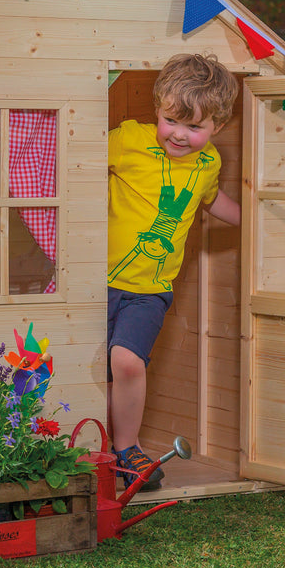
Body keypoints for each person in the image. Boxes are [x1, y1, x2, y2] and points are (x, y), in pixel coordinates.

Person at [107, 54, 240, 490]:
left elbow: (211, 201)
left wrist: (255, 219)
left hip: (151, 288)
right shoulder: (128, 139)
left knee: (126, 362)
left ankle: (126, 450)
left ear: (217, 126)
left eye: (195, 127)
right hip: (97, 281)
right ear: (158, 108)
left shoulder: (208, 164)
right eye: (171, 121)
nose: (180, 135)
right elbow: (75, 166)